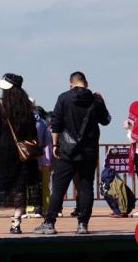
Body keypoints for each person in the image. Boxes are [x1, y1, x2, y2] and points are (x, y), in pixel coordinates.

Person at [34, 71, 111, 235]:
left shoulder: (64, 98)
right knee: (86, 187)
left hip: (68, 151)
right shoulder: (95, 100)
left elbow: (56, 123)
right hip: (89, 151)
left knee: (59, 187)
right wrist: (101, 101)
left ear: (71, 84)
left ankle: (49, 223)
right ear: (86, 83)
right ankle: (83, 225)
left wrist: (55, 145)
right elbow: (106, 120)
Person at [0, 73, 41, 235]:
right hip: (22, 154)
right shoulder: (27, 106)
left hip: (3, 152)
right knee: (20, 189)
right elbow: (33, 132)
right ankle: (16, 224)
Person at [24, 106, 52, 218]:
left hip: (27, 156)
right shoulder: (43, 123)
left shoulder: (24, 121)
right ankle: (45, 207)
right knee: (44, 184)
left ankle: (29, 207)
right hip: (42, 157)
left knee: (28, 184)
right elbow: (47, 141)